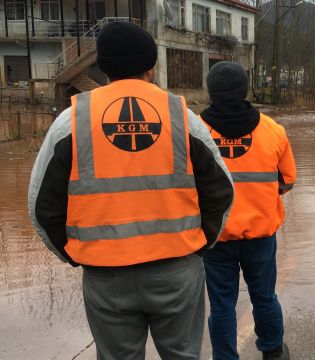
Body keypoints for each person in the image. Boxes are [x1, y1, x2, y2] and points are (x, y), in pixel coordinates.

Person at [28, 22, 234, 359]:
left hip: (105, 276)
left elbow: (41, 206)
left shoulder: (72, 120)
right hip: (177, 270)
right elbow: (222, 191)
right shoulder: (183, 117)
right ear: (151, 68)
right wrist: (199, 245)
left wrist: (76, 254)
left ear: (103, 67)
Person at [199, 61, 297, 360]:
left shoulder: (196, 131)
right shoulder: (273, 131)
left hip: (215, 239)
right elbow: (288, 180)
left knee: (222, 306)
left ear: (211, 92)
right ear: (246, 90)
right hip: (260, 237)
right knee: (264, 298)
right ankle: (273, 352)